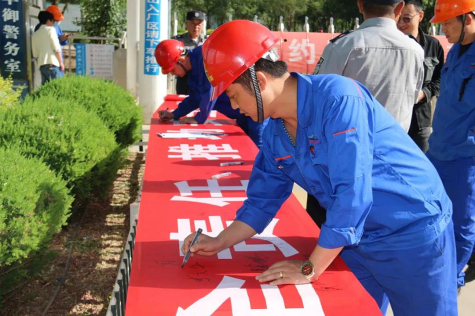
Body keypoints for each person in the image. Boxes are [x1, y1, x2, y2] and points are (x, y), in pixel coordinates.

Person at [182, 20, 457, 316]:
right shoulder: (275, 133)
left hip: (413, 234)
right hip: (353, 241)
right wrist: (219, 241)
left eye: (234, 96)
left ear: (260, 82)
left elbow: (352, 194)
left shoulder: (339, 99)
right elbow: (262, 201)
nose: (235, 107)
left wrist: (310, 267)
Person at [309, 0, 425, 228]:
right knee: (379, 228)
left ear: (360, 5)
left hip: (342, 159)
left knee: (328, 226)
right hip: (392, 158)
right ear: (400, 7)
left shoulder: (344, 45)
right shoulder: (415, 50)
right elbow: (412, 97)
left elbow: (317, 101)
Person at [427, 0, 475, 288]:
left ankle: (451, 278)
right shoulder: (456, 50)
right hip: (439, 149)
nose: (443, 29)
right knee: (437, 214)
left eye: (447, 23)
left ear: (468, 18)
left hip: (464, 157)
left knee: (461, 221)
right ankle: (440, 266)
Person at [154, 39, 265, 146]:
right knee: (246, 146)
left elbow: (210, 91)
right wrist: (174, 114)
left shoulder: (207, 58)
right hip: (241, 112)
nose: (173, 74)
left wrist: (199, 118)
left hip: (254, 106)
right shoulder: (193, 67)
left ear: (181, 60)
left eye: (172, 70)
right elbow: (195, 98)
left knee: (258, 147)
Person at [397, 0, 444, 152]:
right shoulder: (390, 45)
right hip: (393, 122)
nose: (401, 24)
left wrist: (423, 94)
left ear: (421, 16)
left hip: (421, 123)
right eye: (398, 18)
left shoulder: (433, 45)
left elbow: (440, 79)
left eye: (406, 18)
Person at [171, 11, 206, 95]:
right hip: (184, 81)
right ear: (187, 24)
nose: (196, 27)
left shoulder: (208, 41)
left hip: (203, 81)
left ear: (202, 25)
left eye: (199, 24)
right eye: (193, 23)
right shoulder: (177, 41)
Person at [34, 5, 69, 76]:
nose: (56, 22)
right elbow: (55, 47)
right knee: (56, 85)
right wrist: (60, 63)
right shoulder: (45, 28)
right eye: (55, 20)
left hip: (46, 62)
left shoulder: (56, 28)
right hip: (53, 62)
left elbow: (60, 43)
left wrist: (63, 39)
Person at [32, 11, 64, 84]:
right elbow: (56, 48)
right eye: (53, 21)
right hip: (52, 64)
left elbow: (35, 54)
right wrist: (61, 62)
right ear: (48, 20)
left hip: (42, 66)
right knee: (59, 87)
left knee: (46, 89)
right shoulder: (51, 30)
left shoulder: (35, 34)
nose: (53, 24)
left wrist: (40, 64)